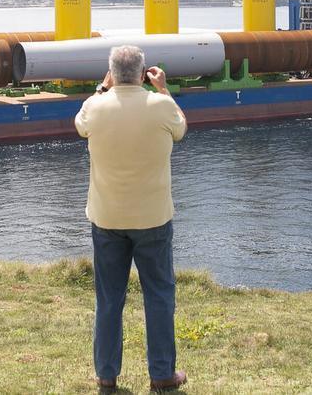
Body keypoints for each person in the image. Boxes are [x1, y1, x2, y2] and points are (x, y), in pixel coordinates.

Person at [75, 45, 188, 393]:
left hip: (107, 217)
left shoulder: (95, 107)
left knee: (109, 299)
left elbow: (79, 125)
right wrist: (164, 89)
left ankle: (106, 374)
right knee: (158, 295)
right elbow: (181, 128)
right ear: (143, 74)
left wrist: (101, 88)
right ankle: (162, 374)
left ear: (111, 73)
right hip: (152, 217)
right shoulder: (161, 106)